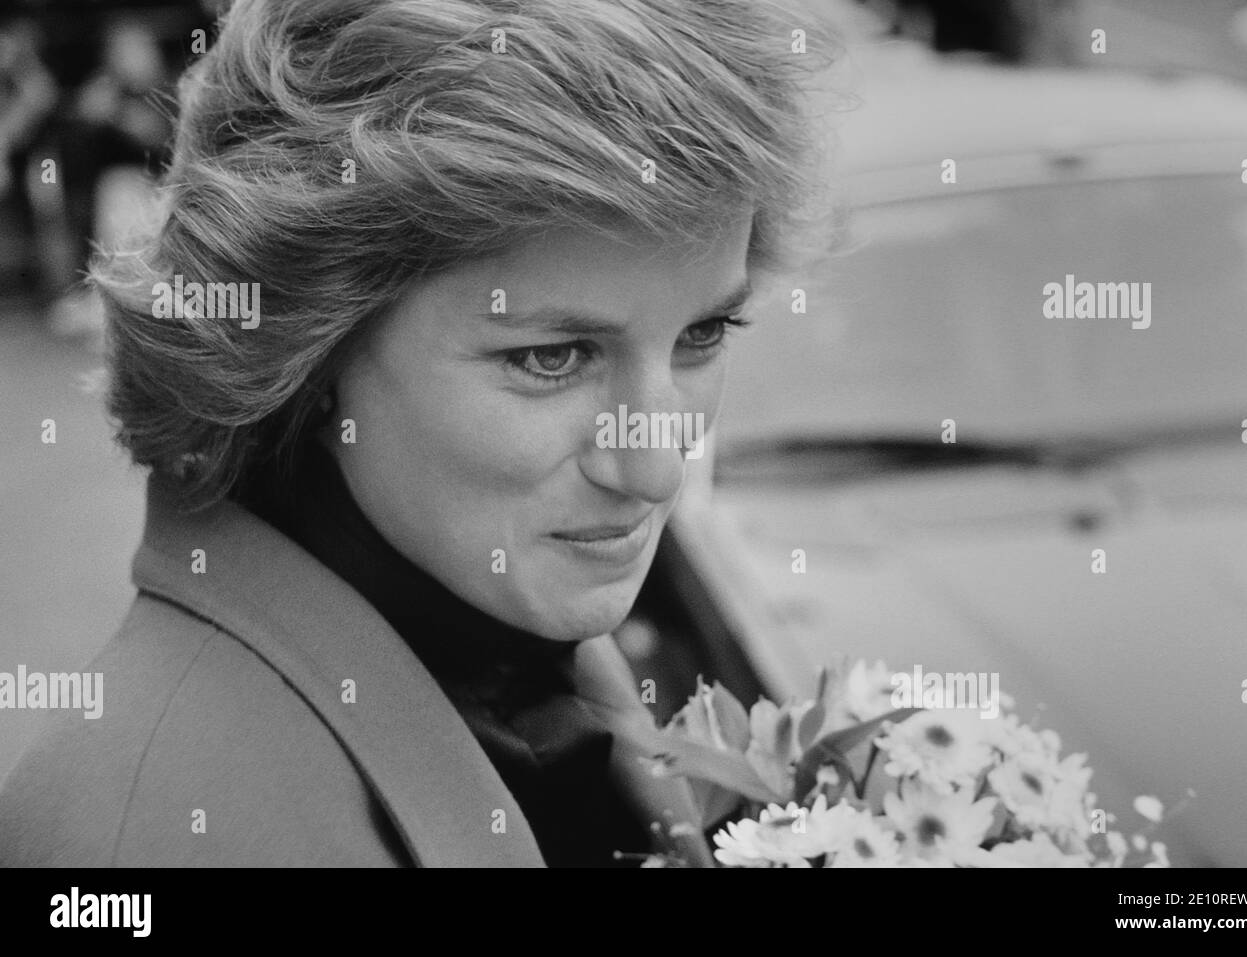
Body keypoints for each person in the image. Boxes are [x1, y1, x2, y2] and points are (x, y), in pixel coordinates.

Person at [0, 0, 830, 866]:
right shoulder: (154, 836)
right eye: (551, 357)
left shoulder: (512, 648)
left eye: (702, 335)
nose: (660, 468)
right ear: (306, 352)